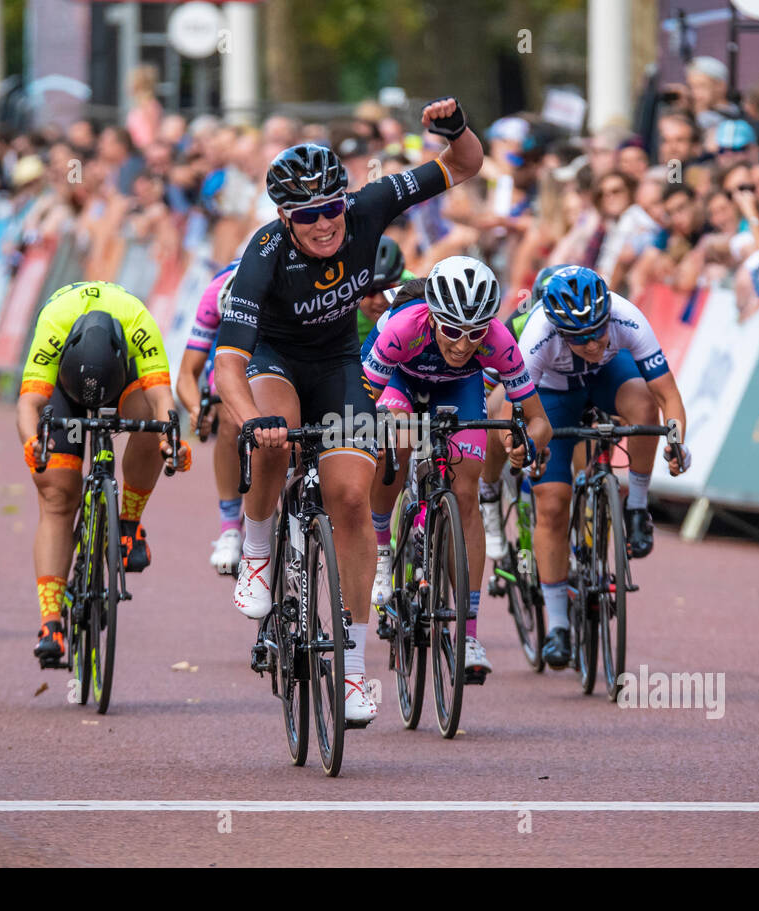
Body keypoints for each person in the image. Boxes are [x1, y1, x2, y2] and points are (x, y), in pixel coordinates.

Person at [213, 98, 483, 726]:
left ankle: (356, 669)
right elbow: (229, 364)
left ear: (345, 198)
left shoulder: (370, 205)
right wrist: (252, 420)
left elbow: (464, 164)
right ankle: (256, 550)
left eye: (331, 208)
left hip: (337, 362)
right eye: (307, 216)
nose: (325, 224)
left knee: (353, 500)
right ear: (285, 216)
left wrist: (454, 130)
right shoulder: (261, 255)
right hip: (275, 361)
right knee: (275, 443)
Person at [363, 257, 551, 681]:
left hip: (458, 386)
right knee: (398, 438)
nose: (464, 344)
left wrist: (526, 444)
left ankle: (467, 634)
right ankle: (380, 547)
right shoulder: (403, 327)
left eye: (475, 333)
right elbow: (360, 403)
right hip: (399, 380)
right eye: (451, 330)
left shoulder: (499, 340)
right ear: (432, 317)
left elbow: (540, 421)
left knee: (466, 494)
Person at [511, 267, 689, 669]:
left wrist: (677, 440)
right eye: (579, 337)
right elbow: (518, 406)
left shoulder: (627, 316)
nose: (591, 343)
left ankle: (638, 508)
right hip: (553, 396)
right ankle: (557, 625)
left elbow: (668, 394)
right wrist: (525, 445)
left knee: (645, 406)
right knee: (552, 504)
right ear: (559, 330)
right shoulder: (537, 334)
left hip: (610, 377)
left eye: (597, 331)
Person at [16, 282, 191, 664]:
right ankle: (51, 623)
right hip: (64, 391)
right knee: (58, 498)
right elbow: (29, 402)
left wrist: (172, 444)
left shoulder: (138, 322)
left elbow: (164, 400)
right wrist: (33, 443)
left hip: (123, 383)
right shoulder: (54, 323)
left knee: (149, 424)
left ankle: (128, 523)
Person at [174, 260, 246, 574]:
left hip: (280, 348)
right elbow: (187, 374)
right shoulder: (219, 290)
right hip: (230, 359)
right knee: (231, 416)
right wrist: (195, 408)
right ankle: (230, 526)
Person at [354, 235, 413, 343]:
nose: (379, 301)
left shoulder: (414, 292)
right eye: (368, 291)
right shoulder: (340, 315)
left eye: (389, 288)